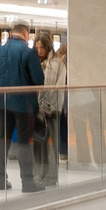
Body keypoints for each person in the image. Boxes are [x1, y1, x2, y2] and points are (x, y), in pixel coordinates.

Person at [0, 20, 46, 192]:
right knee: (24, 142)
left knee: (2, 139)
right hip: (24, 104)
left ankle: (0, 180)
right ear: (26, 34)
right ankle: (27, 182)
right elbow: (38, 80)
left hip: (2, 103)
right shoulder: (28, 53)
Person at [39, 34, 68, 184]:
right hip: (37, 110)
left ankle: (51, 176)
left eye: (42, 47)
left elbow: (59, 86)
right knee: (39, 143)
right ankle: (40, 174)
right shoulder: (36, 62)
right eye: (37, 47)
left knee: (52, 144)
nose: (39, 50)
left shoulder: (58, 64)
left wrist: (46, 102)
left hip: (53, 108)